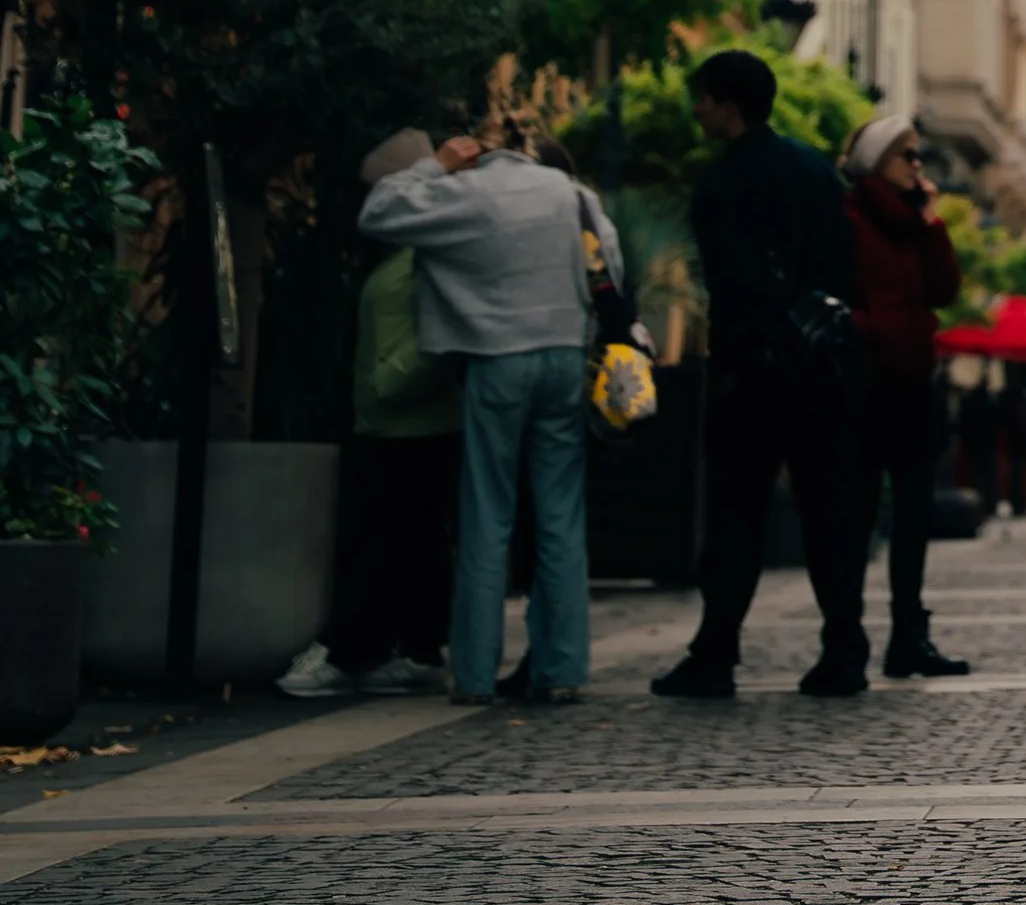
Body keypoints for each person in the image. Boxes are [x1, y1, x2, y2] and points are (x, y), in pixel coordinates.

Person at [358, 123, 624, 705]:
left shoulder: (466, 192)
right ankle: (563, 669)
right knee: (560, 516)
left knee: (487, 515)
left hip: (495, 358)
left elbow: (378, 212)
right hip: (565, 357)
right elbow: (612, 271)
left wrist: (437, 167)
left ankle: (475, 675)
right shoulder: (571, 193)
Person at [652, 48, 865, 702]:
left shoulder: (722, 183)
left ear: (726, 102)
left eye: (703, 98)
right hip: (822, 365)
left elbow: (732, 285)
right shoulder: (815, 172)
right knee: (828, 510)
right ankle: (843, 647)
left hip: (752, 373)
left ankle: (717, 650)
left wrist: (734, 360)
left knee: (736, 512)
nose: (696, 110)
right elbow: (844, 263)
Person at [280, 129, 464, 699]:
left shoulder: (426, 254)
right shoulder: (402, 255)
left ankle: (356, 650)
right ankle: (405, 648)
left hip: (409, 419)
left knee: (387, 540)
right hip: (393, 418)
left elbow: (442, 330)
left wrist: (394, 381)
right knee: (403, 541)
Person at [842, 114, 972, 677]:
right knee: (857, 511)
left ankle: (907, 637)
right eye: (908, 156)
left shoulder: (915, 224)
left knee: (914, 515)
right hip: (864, 385)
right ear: (878, 162)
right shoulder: (848, 217)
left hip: (913, 384)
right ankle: (843, 640)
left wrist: (931, 222)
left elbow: (944, 289)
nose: (918, 166)